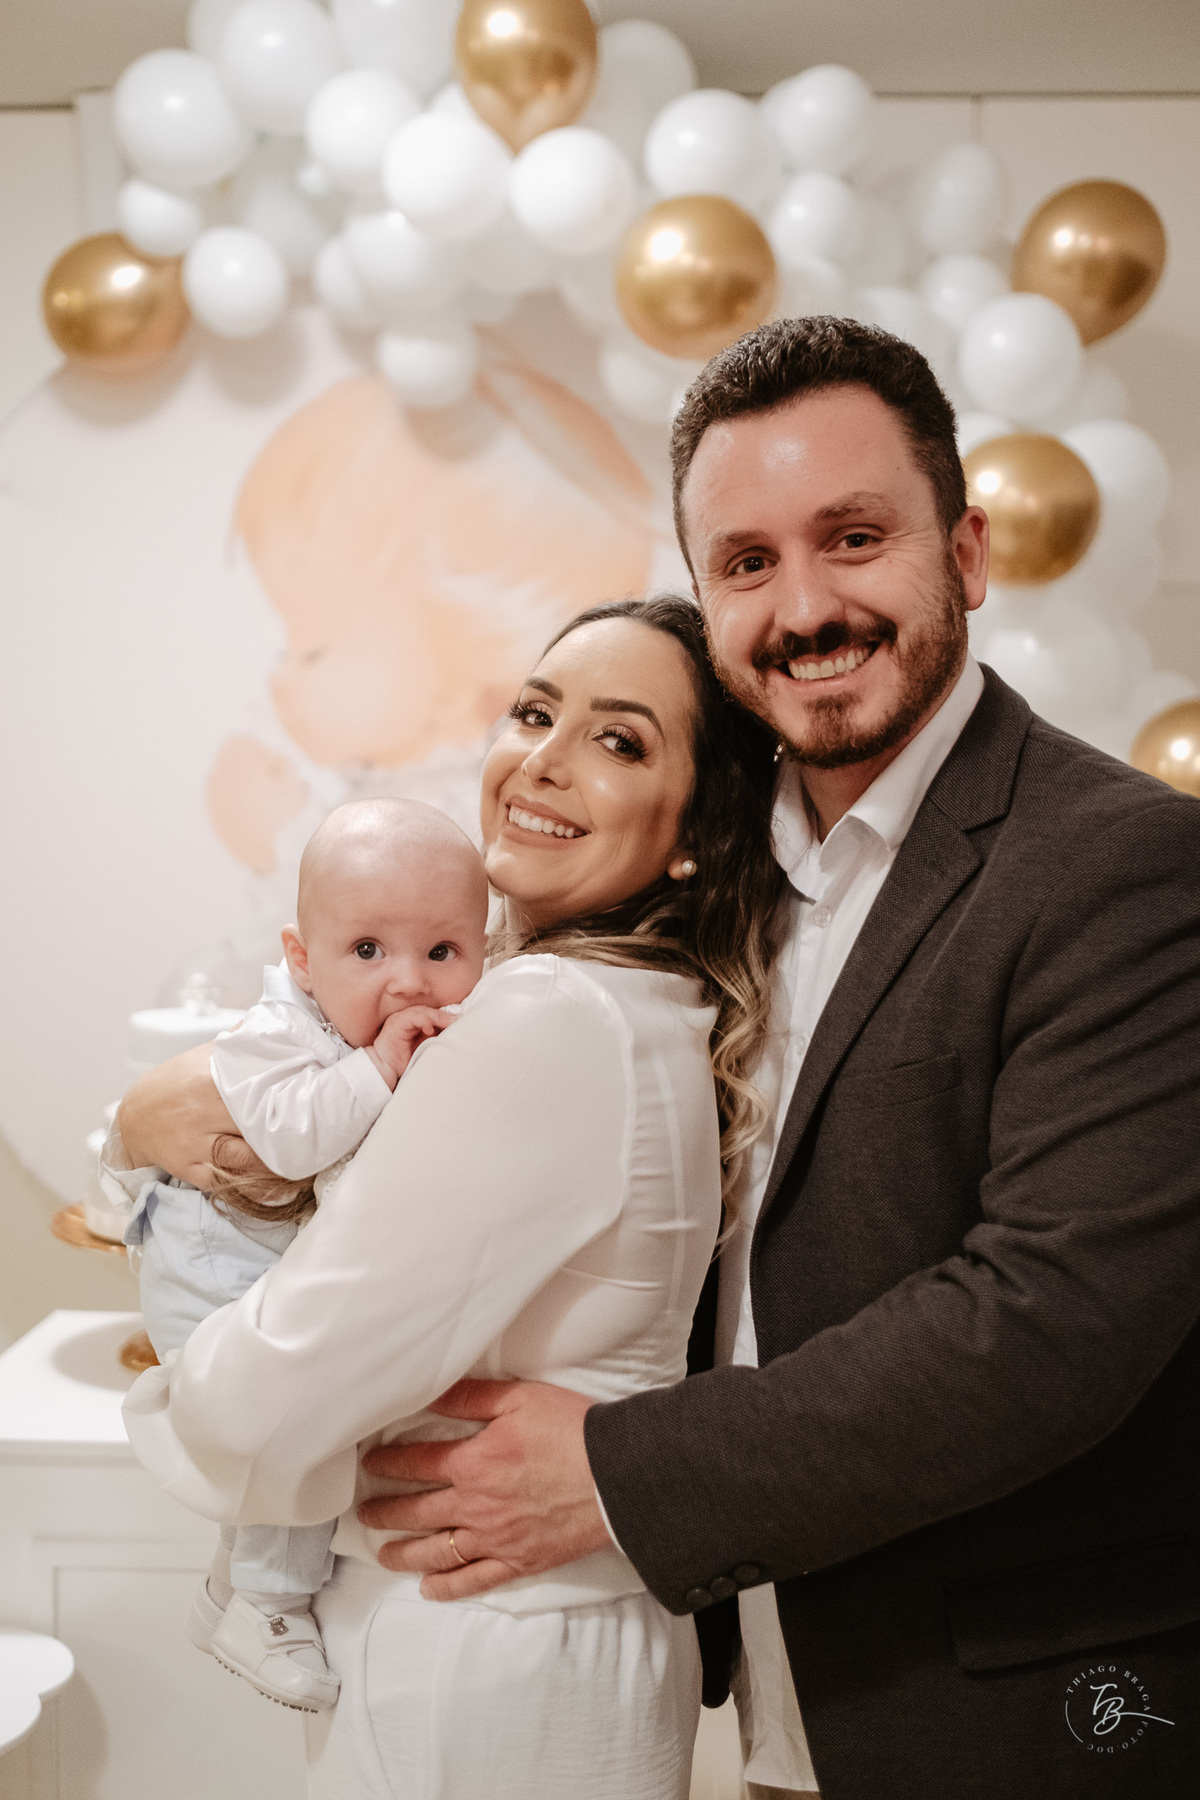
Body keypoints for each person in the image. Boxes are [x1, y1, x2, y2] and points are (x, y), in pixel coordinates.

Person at [358, 318, 1200, 1800]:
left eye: (855, 537)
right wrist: (194, 1113)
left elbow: (1050, 1323)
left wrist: (621, 1471)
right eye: (745, 563)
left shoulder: (1127, 866)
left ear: (970, 554)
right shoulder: (707, 866)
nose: (804, 606)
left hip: (1024, 1716)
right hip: (754, 1701)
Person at [116, 597, 784, 1799]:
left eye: (619, 740)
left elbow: (282, 1387)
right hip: (542, 1642)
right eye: (536, 712)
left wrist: (190, 1364)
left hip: (480, 1645)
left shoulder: (549, 1018)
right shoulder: (636, 1004)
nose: (544, 757)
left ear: (696, 833)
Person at [104, 798, 489, 1712]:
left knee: (288, 1423)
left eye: (443, 952)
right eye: (368, 951)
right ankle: (271, 1605)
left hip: (253, 1251)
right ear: (301, 958)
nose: (408, 983)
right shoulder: (278, 1036)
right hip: (209, 1253)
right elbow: (290, 1140)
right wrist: (381, 1068)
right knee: (289, 1425)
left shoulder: (390, 1033)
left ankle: (227, 1592)